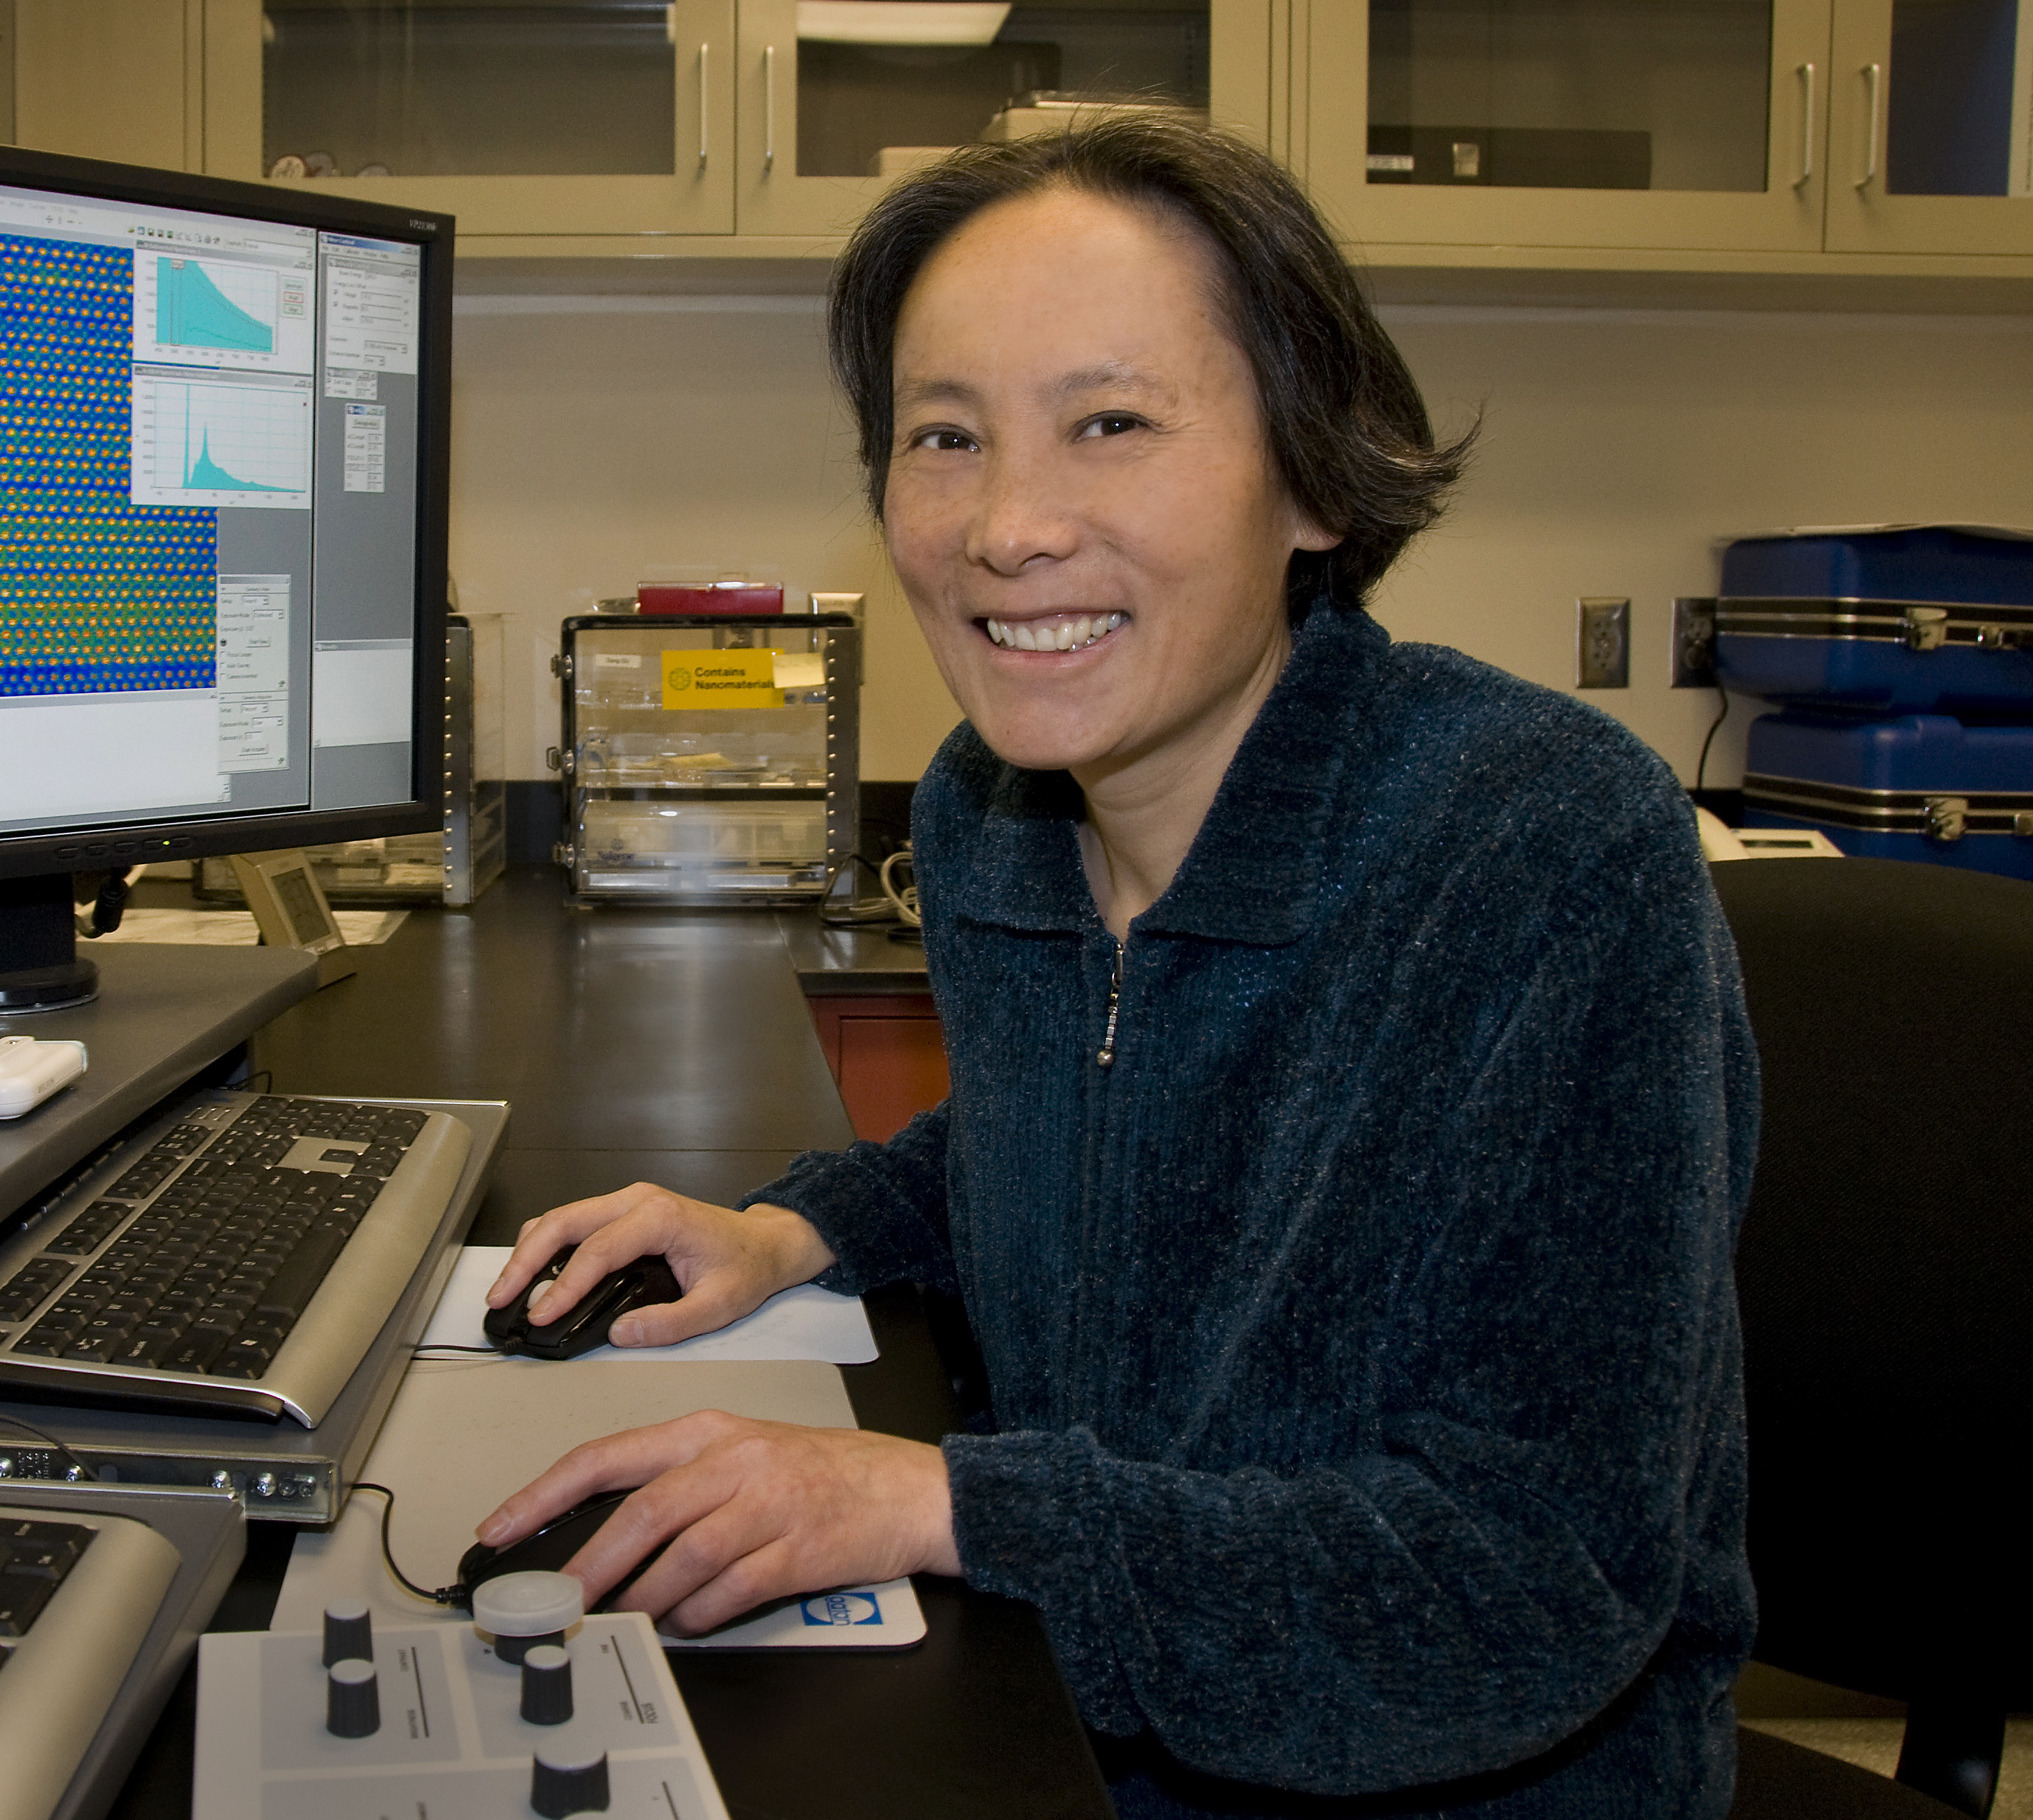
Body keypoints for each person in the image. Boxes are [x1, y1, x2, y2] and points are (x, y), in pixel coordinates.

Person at [473, 117, 1757, 1817]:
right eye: (944, 436)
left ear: (1312, 476)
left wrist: (936, 1506)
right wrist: (793, 1225)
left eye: (1110, 424)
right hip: (1075, 1722)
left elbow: (1522, 1586)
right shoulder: (994, 811)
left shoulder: (1537, 851)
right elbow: (1062, 1131)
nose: (1006, 526)